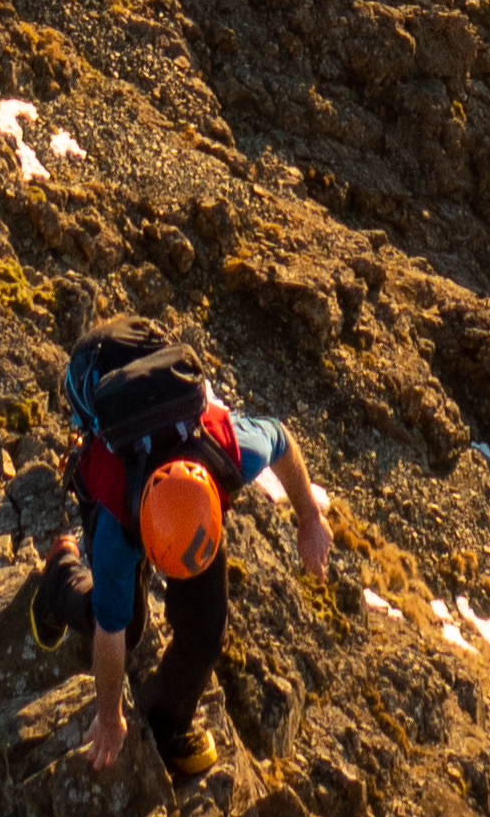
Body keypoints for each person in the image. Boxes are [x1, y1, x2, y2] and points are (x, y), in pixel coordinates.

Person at [27, 313, 334, 781]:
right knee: (124, 627)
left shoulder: (227, 452)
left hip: (165, 430)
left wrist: (310, 519)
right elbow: (110, 636)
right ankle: (58, 578)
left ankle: (168, 725)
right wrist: (109, 717)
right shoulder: (117, 524)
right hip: (97, 377)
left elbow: (282, 438)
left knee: (205, 630)